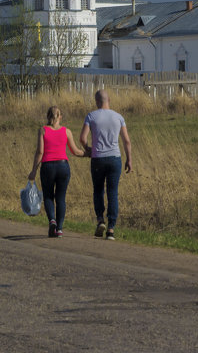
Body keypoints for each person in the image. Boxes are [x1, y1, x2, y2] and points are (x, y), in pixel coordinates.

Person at [79, 89, 133, 241]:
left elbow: (82, 138)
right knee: (112, 192)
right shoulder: (119, 117)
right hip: (115, 158)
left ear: (97, 101)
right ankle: (111, 229)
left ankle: (100, 219)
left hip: (98, 159)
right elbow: (127, 141)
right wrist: (129, 160)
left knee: (98, 190)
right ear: (109, 100)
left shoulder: (91, 116)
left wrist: (88, 149)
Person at [27, 106, 86, 238]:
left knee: (48, 196)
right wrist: (88, 153)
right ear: (60, 117)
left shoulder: (42, 130)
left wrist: (33, 171)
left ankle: (52, 220)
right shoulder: (66, 131)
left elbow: (40, 152)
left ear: (47, 116)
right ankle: (59, 229)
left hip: (47, 166)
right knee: (61, 198)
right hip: (63, 167)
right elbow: (75, 151)